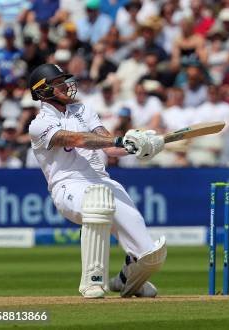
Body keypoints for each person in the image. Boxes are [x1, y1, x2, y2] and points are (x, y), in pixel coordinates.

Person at [27, 63, 167, 298]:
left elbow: (110, 147)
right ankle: (92, 280)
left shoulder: (83, 110)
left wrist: (140, 146)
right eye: (58, 82)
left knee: (150, 255)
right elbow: (79, 139)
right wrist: (120, 141)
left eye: (65, 80)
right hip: (68, 185)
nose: (65, 85)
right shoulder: (38, 124)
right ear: (42, 90)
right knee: (97, 203)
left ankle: (125, 280)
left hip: (102, 180)